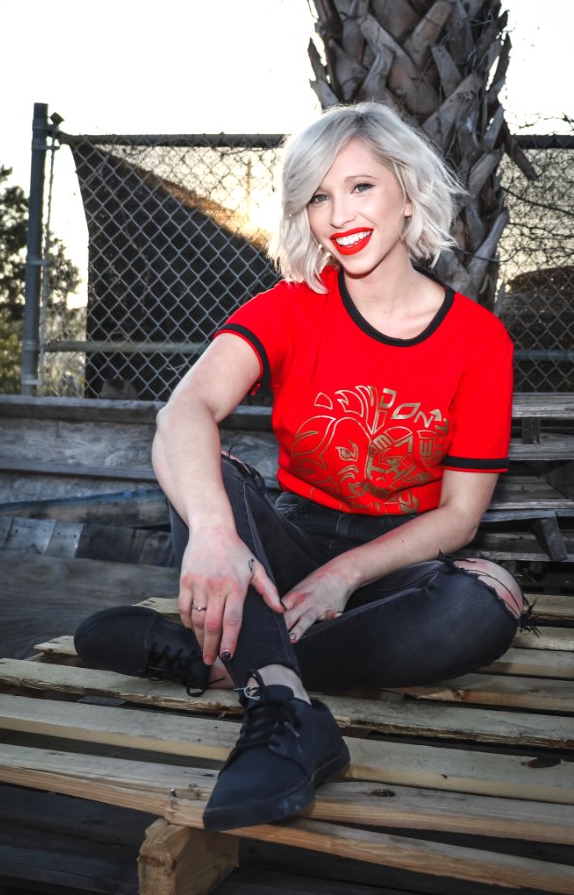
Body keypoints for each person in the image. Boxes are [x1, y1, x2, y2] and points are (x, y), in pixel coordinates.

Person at [74, 101, 529, 833]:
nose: (336, 212)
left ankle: (227, 662)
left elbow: (460, 515)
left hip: (396, 559)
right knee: (197, 463)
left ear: (408, 194)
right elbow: (181, 413)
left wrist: (345, 575)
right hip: (285, 545)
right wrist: (217, 535)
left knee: (485, 603)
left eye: (360, 187)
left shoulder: (479, 341)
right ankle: (285, 709)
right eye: (318, 195)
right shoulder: (292, 306)